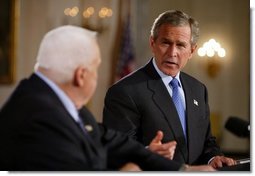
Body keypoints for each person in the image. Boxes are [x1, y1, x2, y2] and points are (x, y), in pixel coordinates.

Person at [0, 25, 215, 171]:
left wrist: (181, 169)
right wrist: (128, 171)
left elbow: (110, 139)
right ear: (81, 75)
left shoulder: (61, 103)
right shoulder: (38, 117)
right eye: (96, 68)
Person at [103, 10, 236, 168]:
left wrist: (213, 158)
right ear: (153, 43)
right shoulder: (125, 91)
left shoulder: (198, 89)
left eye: (180, 45)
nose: (172, 53)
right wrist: (147, 153)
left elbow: (207, 142)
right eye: (166, 43)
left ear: (192, 51)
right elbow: (116, 151)